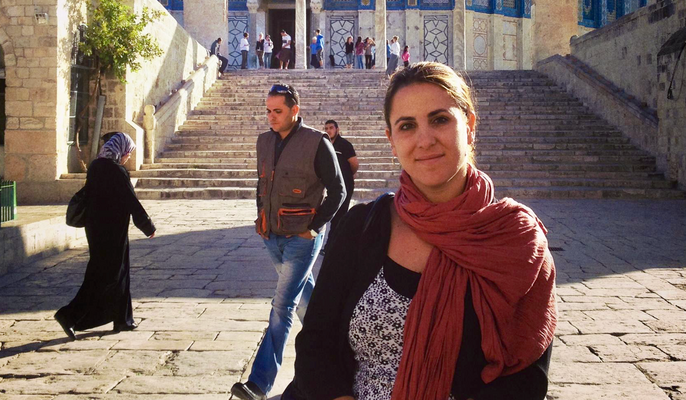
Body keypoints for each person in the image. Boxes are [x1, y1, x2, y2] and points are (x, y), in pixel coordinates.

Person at [289, 62, 556, 400]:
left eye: (440, 119)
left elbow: (525, 377)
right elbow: (316, 343)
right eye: (407, 126)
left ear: (470, 125)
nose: (424, 140)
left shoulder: (517, 243)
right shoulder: (361, 227)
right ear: (391, 140)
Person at [231, 84, 346, 400]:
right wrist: (260, 217)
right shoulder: (264, 142)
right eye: (268, 110)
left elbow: (338, 191)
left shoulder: (316, 143)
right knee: (305, 297)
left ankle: (259, 383)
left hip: (302, 238)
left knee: (282, 305)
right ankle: (339, 350)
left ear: (295, 110)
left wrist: (314, 228)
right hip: (272, 235)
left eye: (277, 111)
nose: (271, 117)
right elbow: (262, 183)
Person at [54, 133, 156, 340]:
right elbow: (130, 200)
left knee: (119, 272)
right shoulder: (117, 171)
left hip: (95, 228)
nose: (127, 157)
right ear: (121, 150)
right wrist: (147, 226)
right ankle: (69, 315)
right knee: (105, 275)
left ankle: (123, 318)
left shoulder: (95, 166)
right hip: (113, 230)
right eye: (128, 153)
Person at [322, 120, 358, 253]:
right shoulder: (324, 145)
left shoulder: (344, 145)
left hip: (345, 185)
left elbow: (354, 164)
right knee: (335, 215)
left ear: (337, 129)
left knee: (339, 215)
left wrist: (349, 175)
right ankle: (340, 244)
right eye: (326, 128)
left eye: (331, 128)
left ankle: (331, 246)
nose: (328, 130)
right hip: (332, 186)